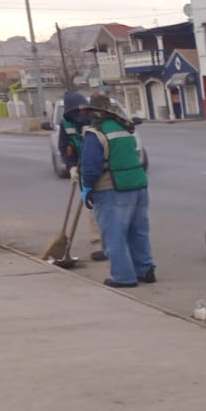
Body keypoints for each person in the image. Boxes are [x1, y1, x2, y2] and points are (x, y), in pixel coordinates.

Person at [78, 93, 155, 288]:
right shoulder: (125, 128)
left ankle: (123, 277)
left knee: (114, 235)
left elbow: (91, 166)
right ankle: (145, 270)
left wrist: (87, 188)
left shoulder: (95, 134)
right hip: (138, 185)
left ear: (94, 113)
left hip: (111, 189)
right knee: (138, 232)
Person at [55, 90, 104, 261]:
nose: (80, 114)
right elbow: (64, 147)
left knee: (103, 205)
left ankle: (109, 243)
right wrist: (71, 166)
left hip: (100, 168)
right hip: (83, 170)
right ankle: (98, 244)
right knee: (91, 206)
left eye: (82, 110)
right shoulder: (66, 124)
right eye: (76, 111)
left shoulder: (95, 119)